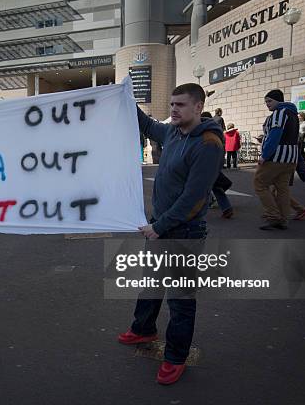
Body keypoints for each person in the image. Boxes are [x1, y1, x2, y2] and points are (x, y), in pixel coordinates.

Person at [118, 84, 224, 385]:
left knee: (180, 299)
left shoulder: (207, 144)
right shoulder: (173, 132)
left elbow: (194, 199)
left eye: (180, 105)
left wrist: (158, 227)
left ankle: (176, 356)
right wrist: (126, 98)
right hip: (160, 227)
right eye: (172, 104)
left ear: (198, 107)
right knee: (151, 283)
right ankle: (143, 328)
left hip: (184, 233)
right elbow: (149, 125)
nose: (174, 110)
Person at [254, 89, 299, 230]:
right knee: (282, 188)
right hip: (291, 158)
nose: (267, 104)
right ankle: (284, 218)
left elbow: (275, 136)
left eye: (269, 101)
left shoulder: (279, 113)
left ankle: (273, 216)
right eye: (266, 102)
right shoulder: (293, 114)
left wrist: (264, 155)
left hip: (276, 156)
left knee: (259, 184)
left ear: (278, 101)